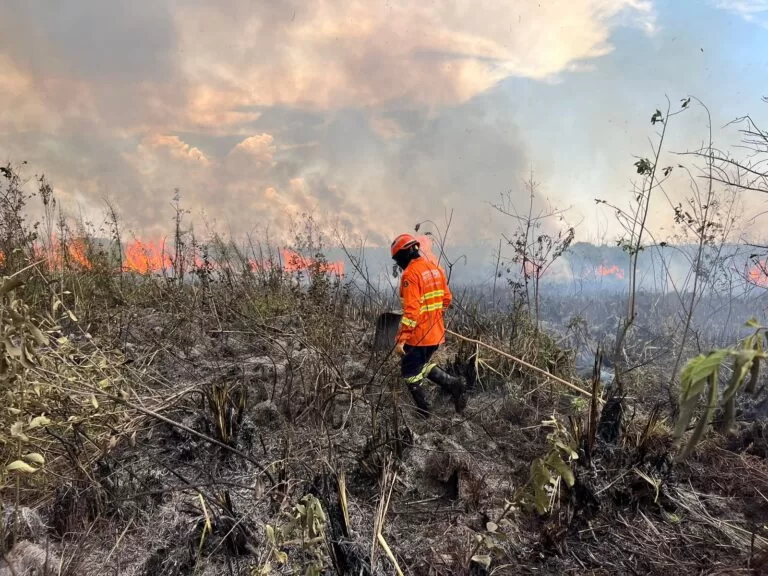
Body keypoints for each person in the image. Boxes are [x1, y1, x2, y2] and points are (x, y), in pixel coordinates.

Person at [391, 233, 467, 418]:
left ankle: (424, 412)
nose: (398, 263)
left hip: (418, 336)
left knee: (409, 372)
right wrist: (432, 316)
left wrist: (401, 339)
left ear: (406, 253)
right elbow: (447, 298)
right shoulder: (435, 269)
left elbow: (411, 311)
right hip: (435, 334)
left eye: (398, 258)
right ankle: (453, 384)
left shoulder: (411, 274)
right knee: (421, 364)